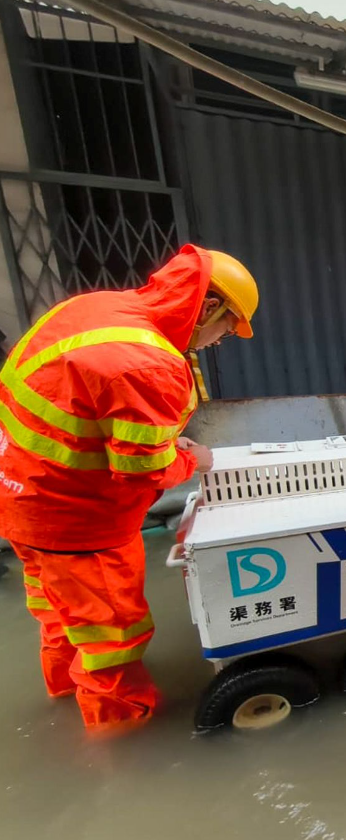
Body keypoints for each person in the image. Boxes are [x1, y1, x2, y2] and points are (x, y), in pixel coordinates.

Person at [0, 245, 259, 730]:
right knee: (110, 642)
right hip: (82, 528)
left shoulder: (89, 308)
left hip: (21, 504)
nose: (218, 342)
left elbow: (76, 413)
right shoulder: (149, 364)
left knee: (62, 622)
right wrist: (191, 457)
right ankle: (118, 741)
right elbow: (143, 470)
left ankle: (63, 703)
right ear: (208, 307)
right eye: (226, 329)